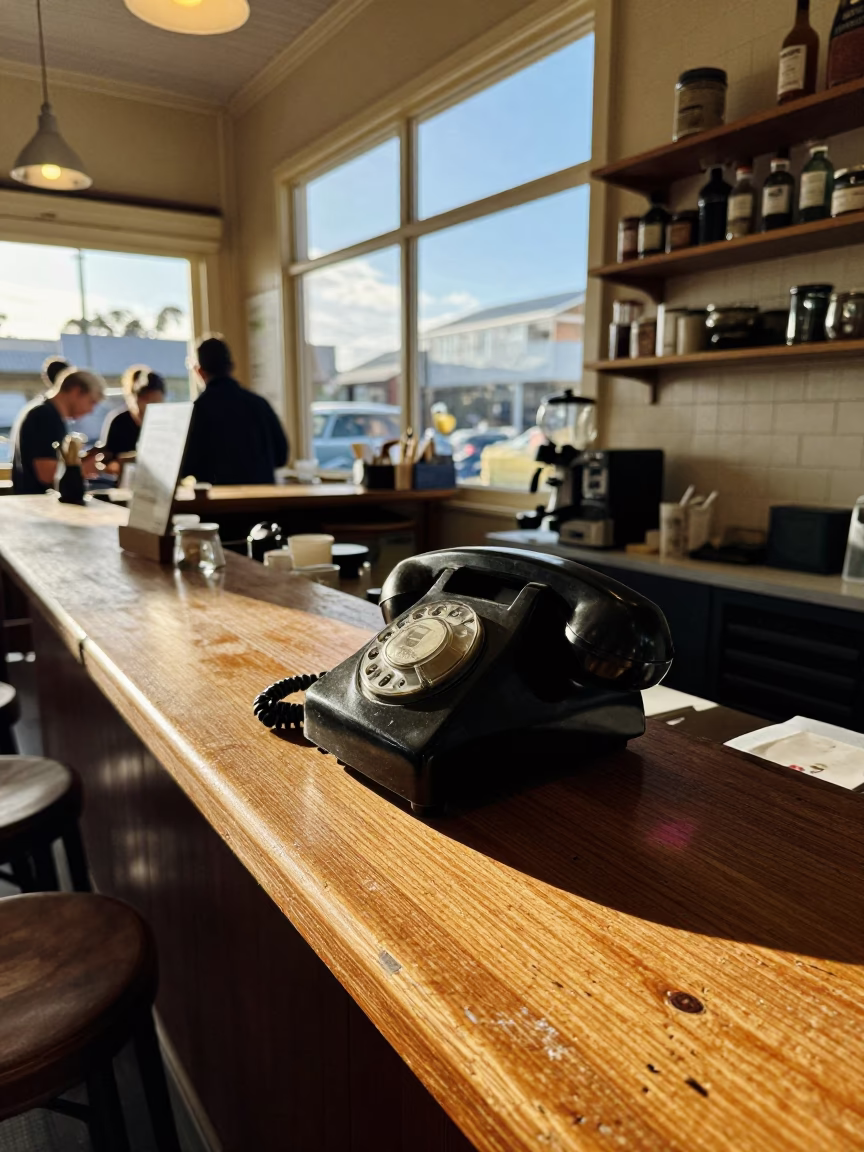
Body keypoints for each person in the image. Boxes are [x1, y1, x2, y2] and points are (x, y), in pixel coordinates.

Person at [183, 336, 288, 485]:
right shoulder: (259, 404)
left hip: (221, 503)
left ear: (199, 371)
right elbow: (281, 456)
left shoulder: (198, 410)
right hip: (263, 502)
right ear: (232, 366)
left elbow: (188, 466)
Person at [11, 368, 105, 494]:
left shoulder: (45, 412)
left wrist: (75, 460)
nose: (91, 410)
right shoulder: (45, 416)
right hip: (38, 504)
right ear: (76, 391)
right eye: (91, 402)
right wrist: (82, 469)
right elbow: (47, 474)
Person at [97, 365, 165, 466]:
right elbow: (108, 459)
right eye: (146, 400)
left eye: (156, 402)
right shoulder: (118, 422)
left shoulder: (166, 423)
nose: (151, 407)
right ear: (133, 398)